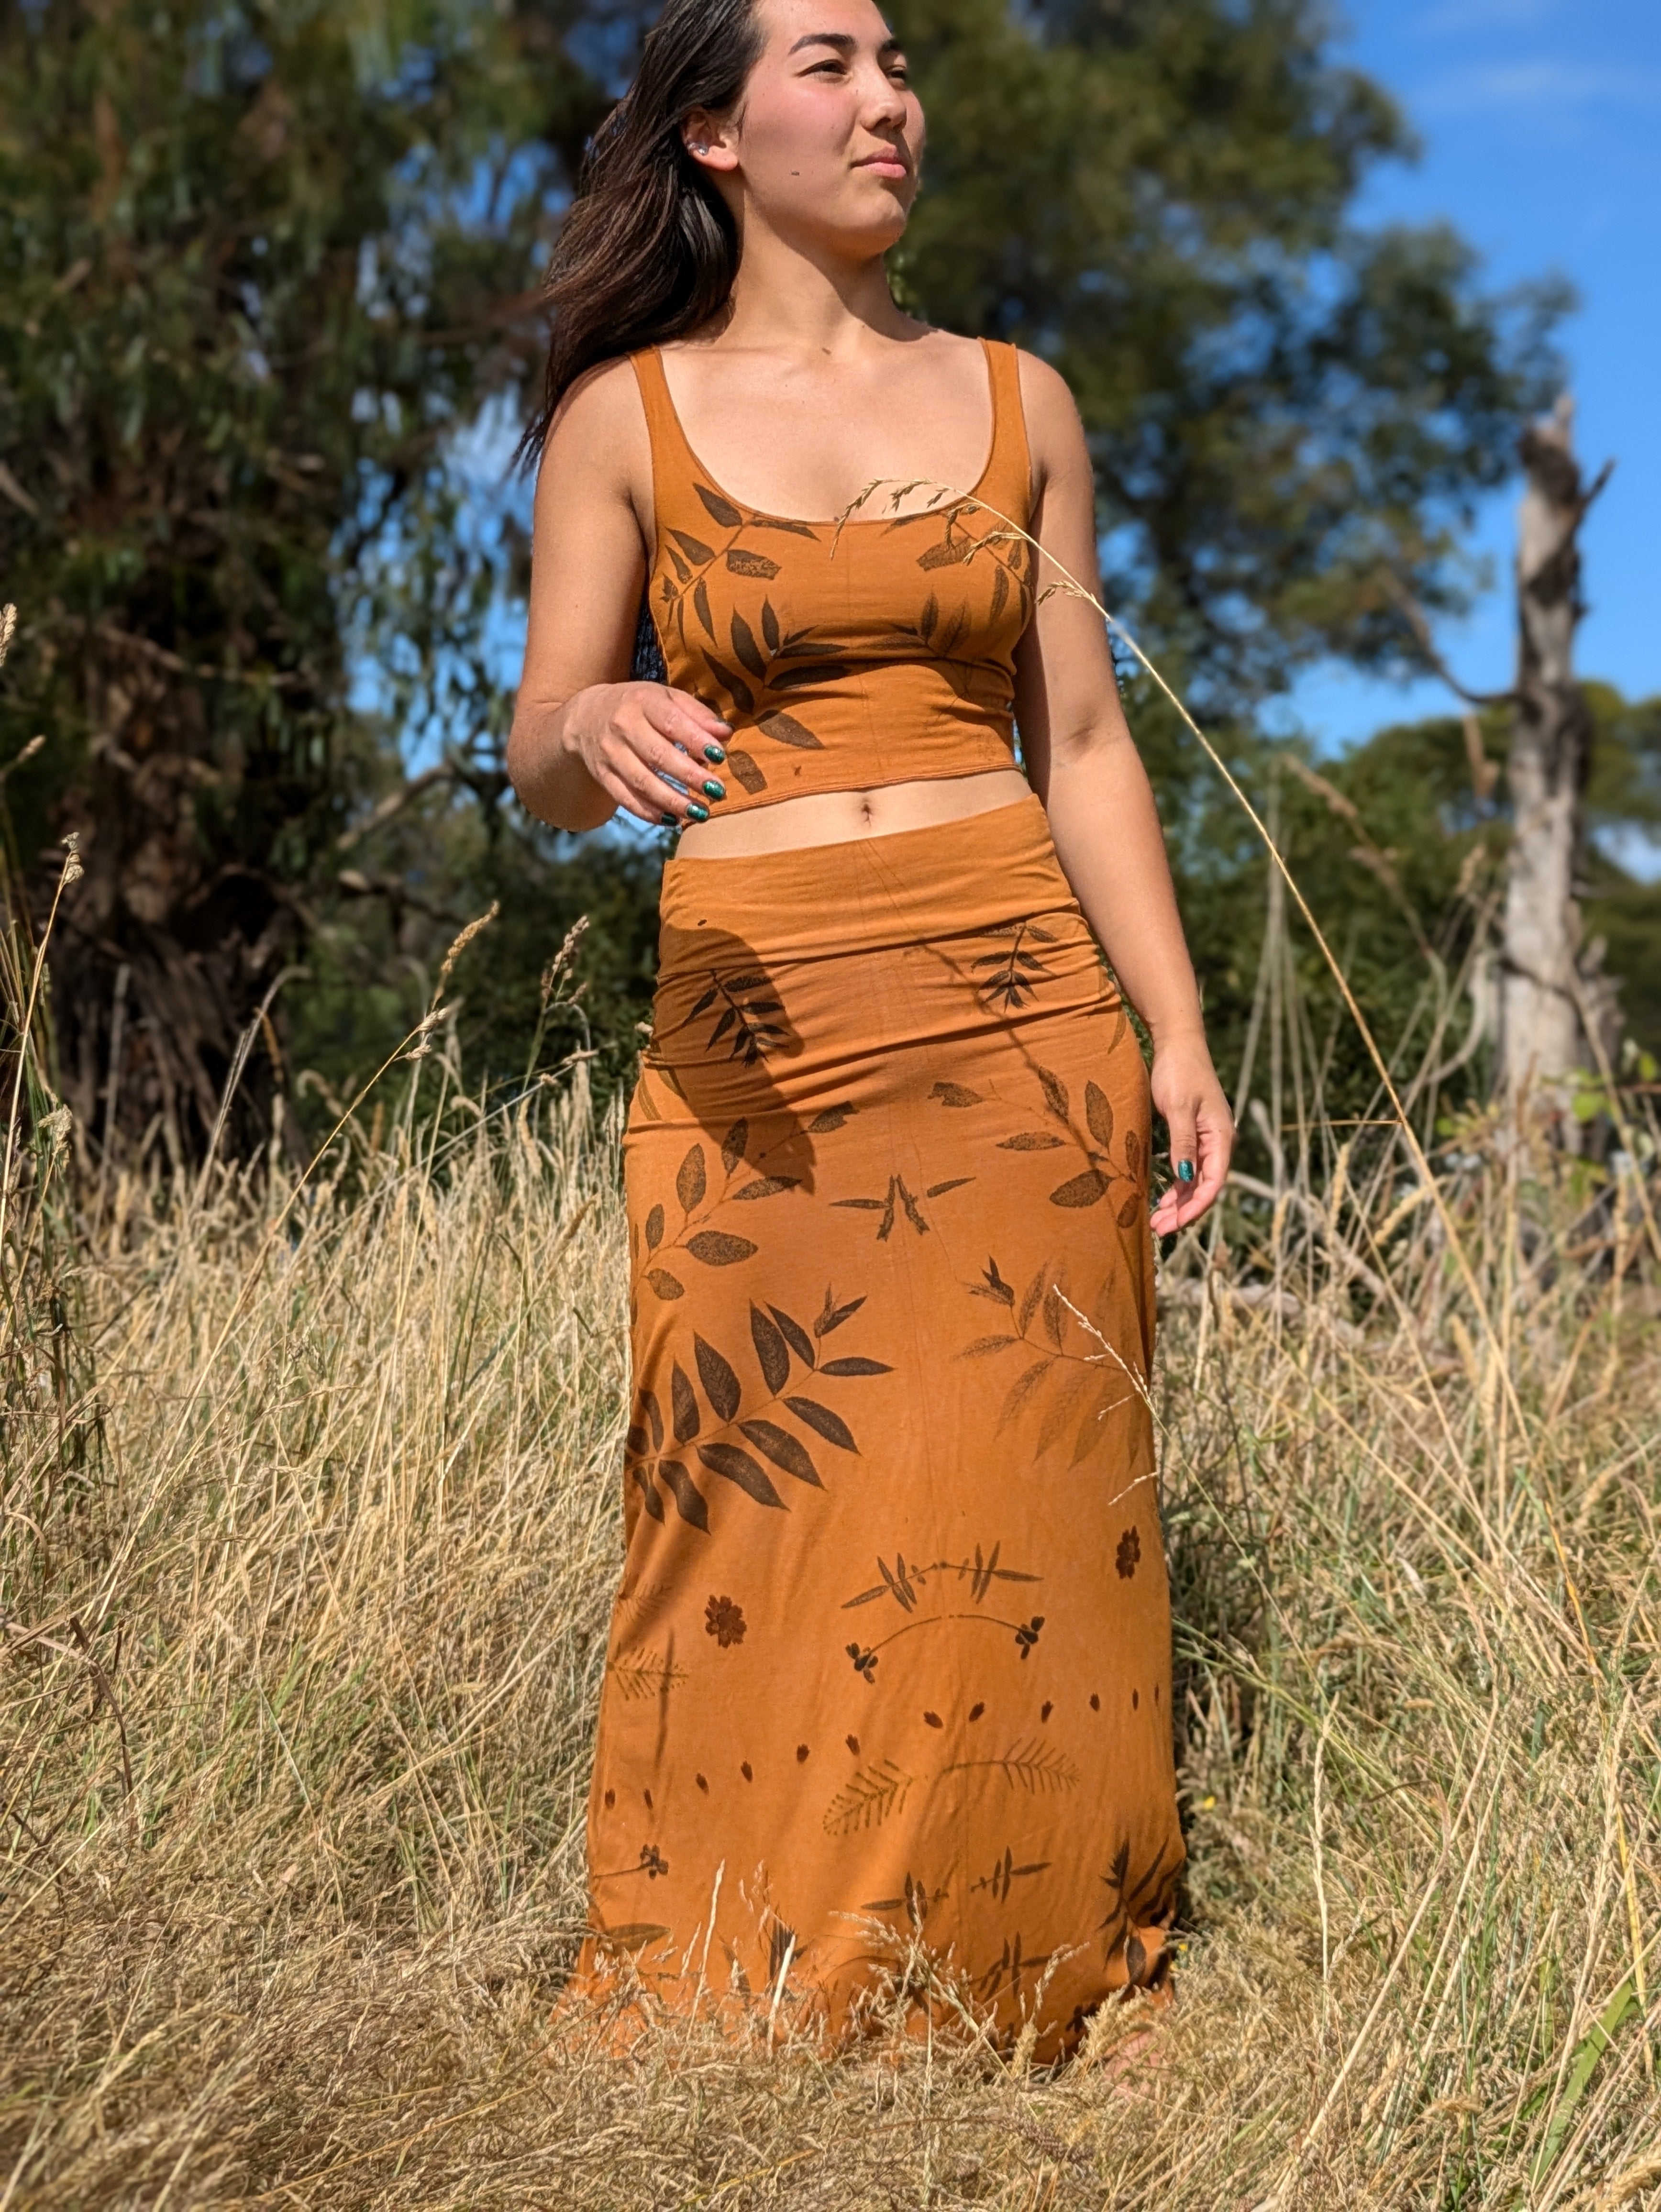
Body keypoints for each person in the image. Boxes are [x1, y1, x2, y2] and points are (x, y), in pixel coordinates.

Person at [507, 0, 1233, 2060]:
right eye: (830, 61)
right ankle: (733, 1961)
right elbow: (537, 744)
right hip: (758, 1026)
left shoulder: (1022, 401)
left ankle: (1028, 1978)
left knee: (1019, 1483)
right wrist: (585, 725)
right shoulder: (622, 421)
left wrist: (1169, 1030)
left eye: (900, 58)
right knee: (745, 1488)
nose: (890, 95)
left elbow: (1081, 739)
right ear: (720, 134)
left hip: (1015, 1008)